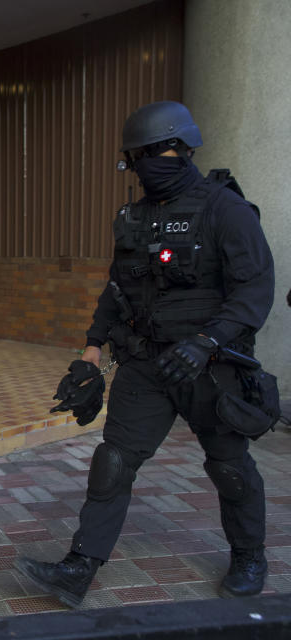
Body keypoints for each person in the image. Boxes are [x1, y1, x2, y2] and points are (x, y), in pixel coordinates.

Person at [17, 100, 276, 607]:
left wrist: (208, 342)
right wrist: (90, 352)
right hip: (145, 365)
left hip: (211, 368)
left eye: (151, 155)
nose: (142, 167)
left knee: (228, 466)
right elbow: (116, 290)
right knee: (112, 462)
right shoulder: (132, 217)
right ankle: (79, 567)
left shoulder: (227, 209)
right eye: (135, 159)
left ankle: (249, 555)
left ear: (180, 149)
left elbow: (255, 291)